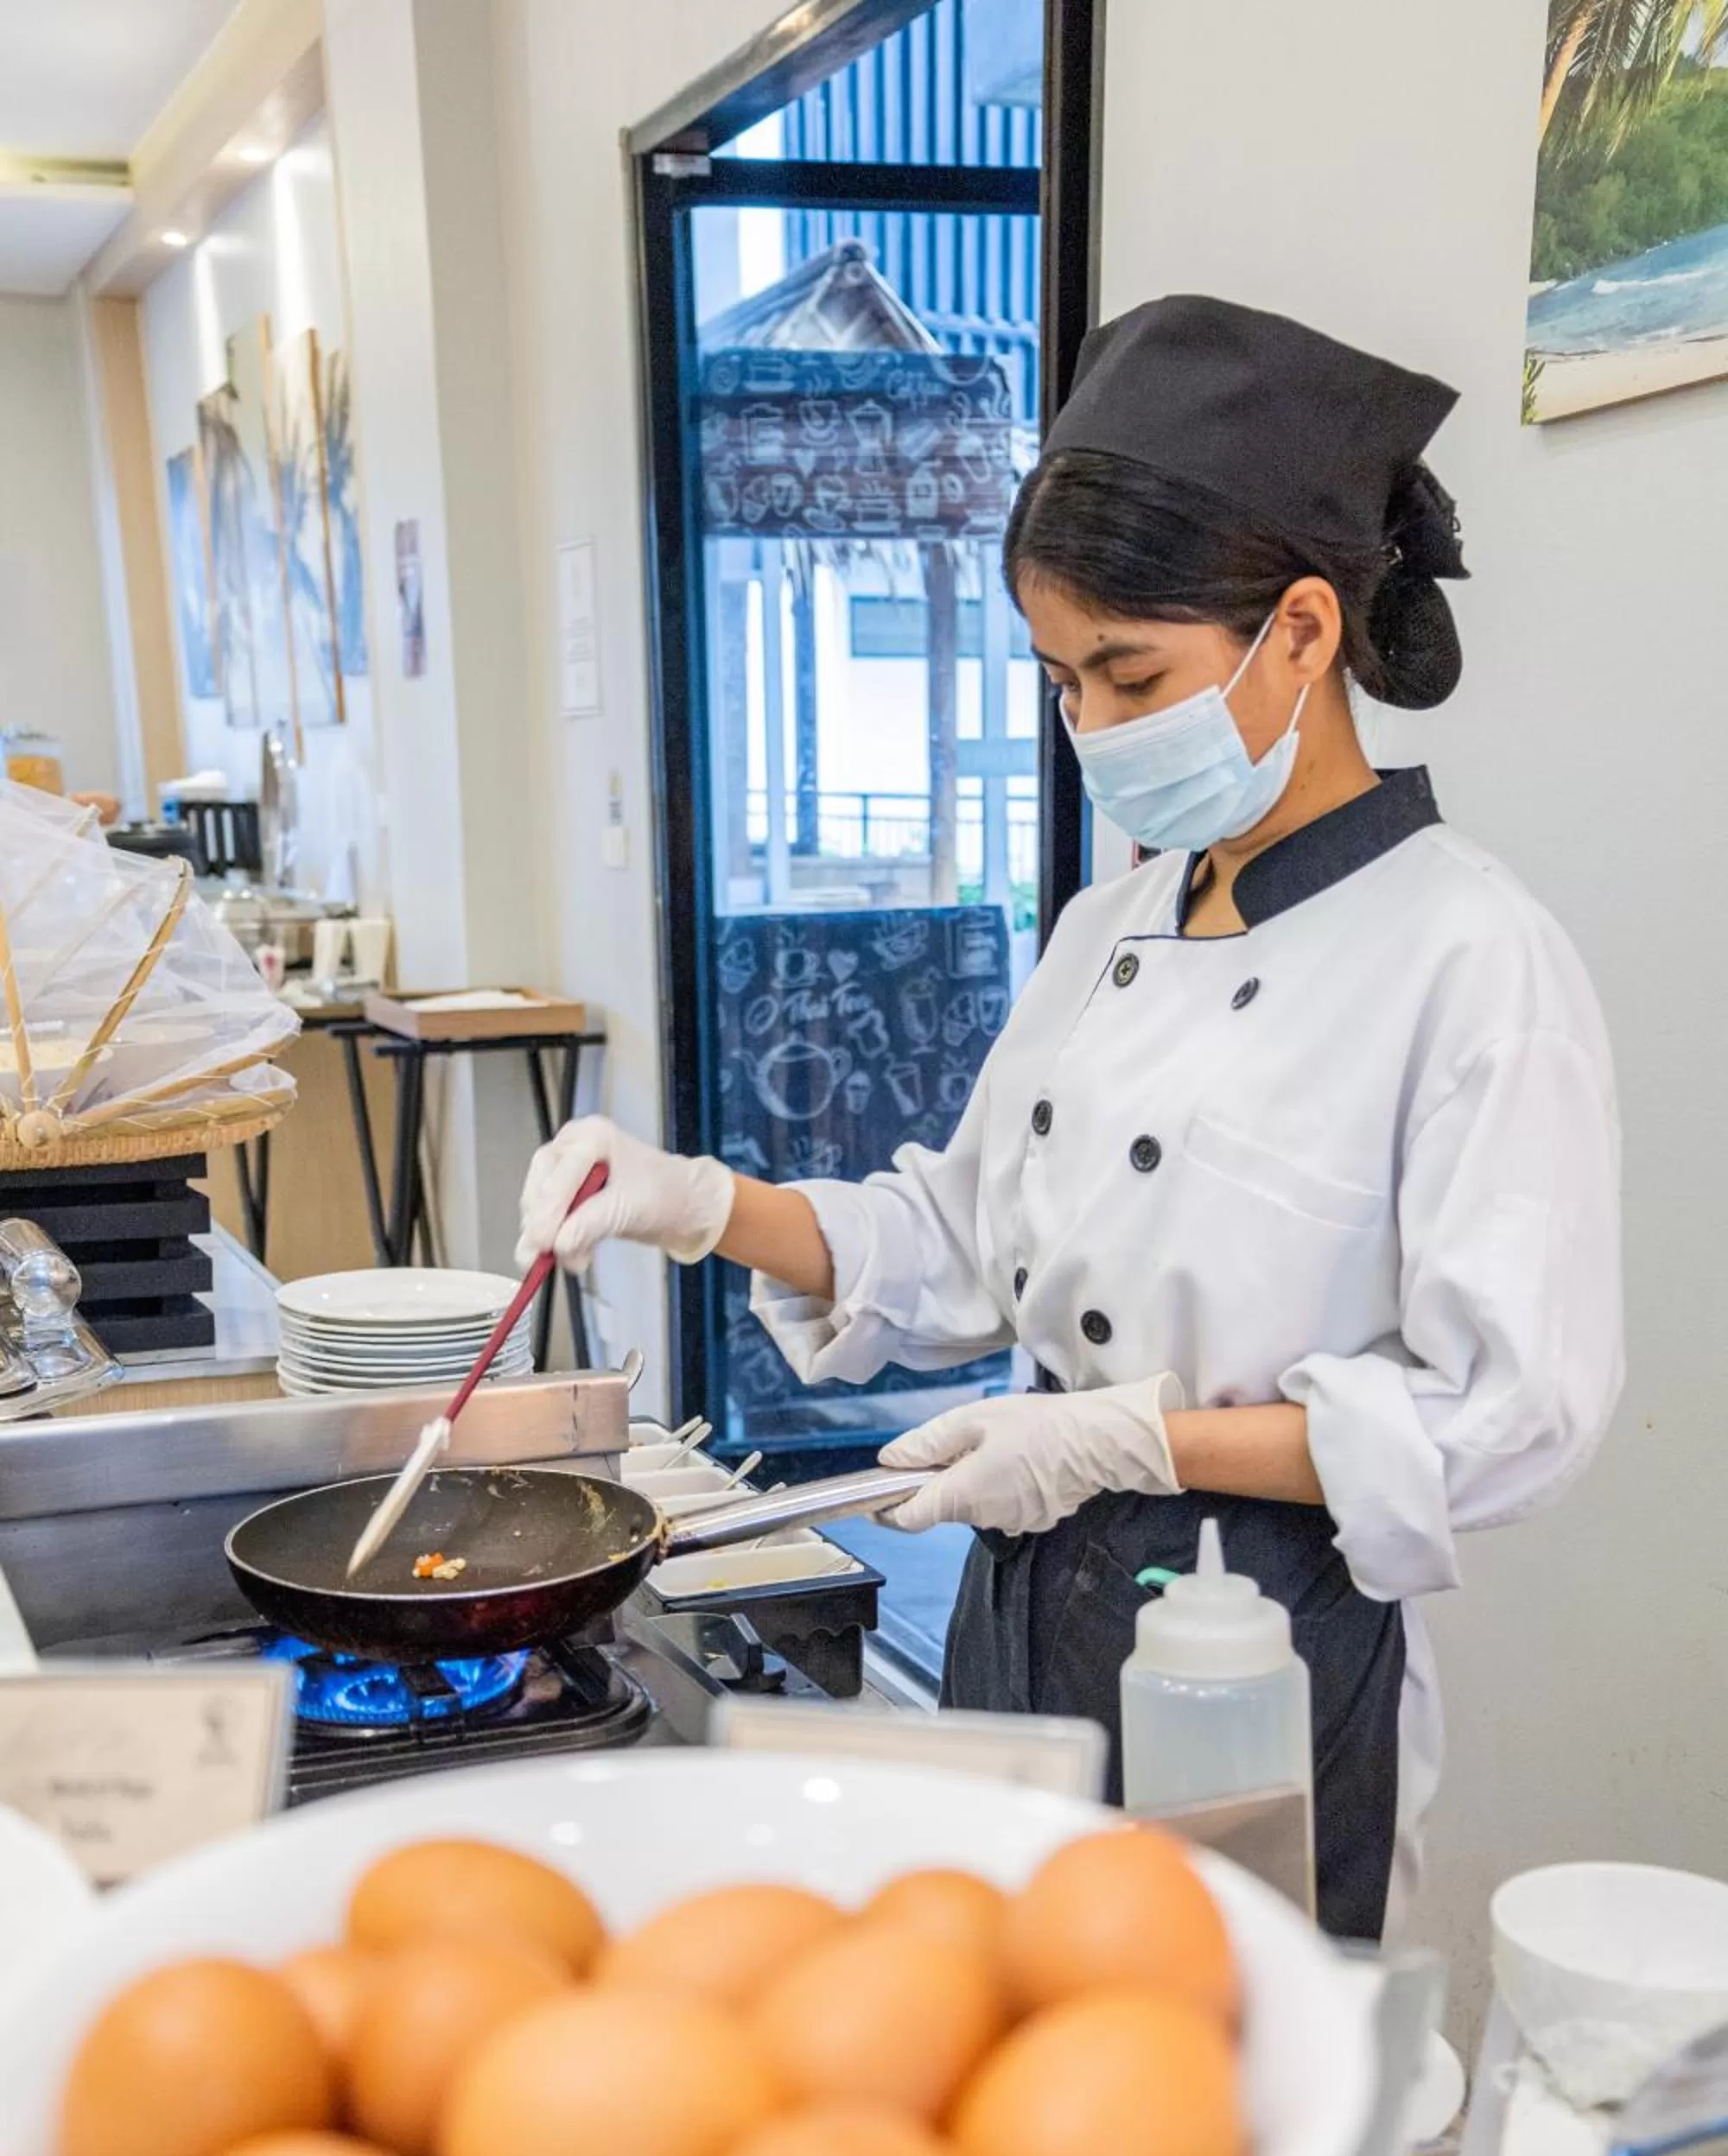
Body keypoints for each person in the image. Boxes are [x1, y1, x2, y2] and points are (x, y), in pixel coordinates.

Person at [518, 296, 1623, 1941]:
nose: (1093, 728)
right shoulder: (1108, 928)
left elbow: (1507, 1414)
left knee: (1222, 2038)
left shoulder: (1471, 957)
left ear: (1303, 632)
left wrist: (1133, 1440)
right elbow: (961, 1240)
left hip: (1265, 1635)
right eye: (1059, 680)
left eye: (1130, 674)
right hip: (1027, 1601)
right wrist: (694, 1201)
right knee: (1017, 1998)